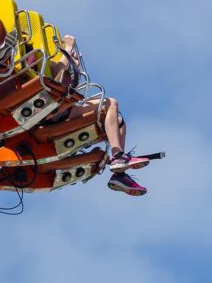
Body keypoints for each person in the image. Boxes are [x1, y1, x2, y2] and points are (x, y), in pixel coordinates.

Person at [53, 35, 149, 196]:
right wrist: (67, 50)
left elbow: (62, 81)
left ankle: (119, 173)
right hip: (51, 111)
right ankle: (118, 157)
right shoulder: (41, 61)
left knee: (119, 121)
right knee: (109, 103)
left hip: (62, 107)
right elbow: (54, 78)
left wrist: (72, 65)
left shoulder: (57, 64)